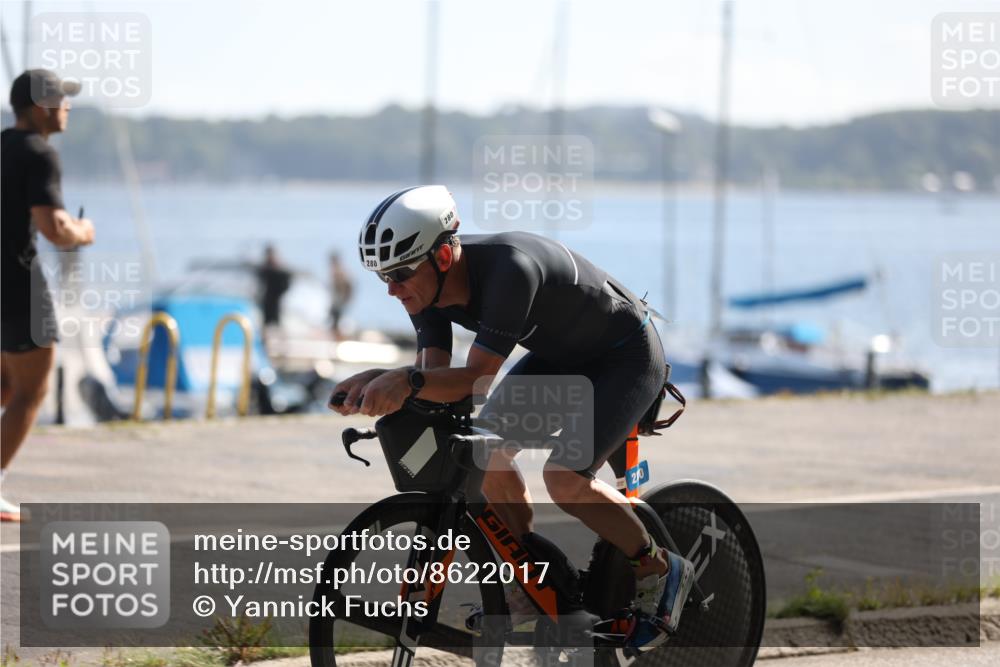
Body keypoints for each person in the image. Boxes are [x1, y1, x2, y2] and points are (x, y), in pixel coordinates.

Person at [330, 186, 695, 650]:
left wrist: (405, 381)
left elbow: (478, 377)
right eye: (383, 275)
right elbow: (434, 380)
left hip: (625, 355)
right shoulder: (427, 297)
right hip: (562, 356)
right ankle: (531, 581)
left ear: (443, 255)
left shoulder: (510, 270)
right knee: (485, 455)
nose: (391, 289)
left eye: (400, 273)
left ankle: (658, 566)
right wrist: (376, 383)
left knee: (564, 478)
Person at [1, 70, 95, 522]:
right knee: (31, 391)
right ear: (41, 106)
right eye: (62, 99)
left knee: (5, 386)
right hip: (20, 286)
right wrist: (84, 231)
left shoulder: (1, 144)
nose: (68, 107)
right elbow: (55, 230)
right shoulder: (39, 154)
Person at [254, 244, 292, 337]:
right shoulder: (264, 270)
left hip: (277, 305)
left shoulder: (280, 271)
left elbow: (286, 284)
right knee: (266, 329)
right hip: (266, 304)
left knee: (277, 328)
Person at [328, 252, 354, 340]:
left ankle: (338, 341)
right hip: (337, 302)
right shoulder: (339, 270)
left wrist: (343, 300)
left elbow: (345, 286)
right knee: (334, 323)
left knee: (335, 324)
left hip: (338, 302)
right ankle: (337, 340)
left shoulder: (339, 271)